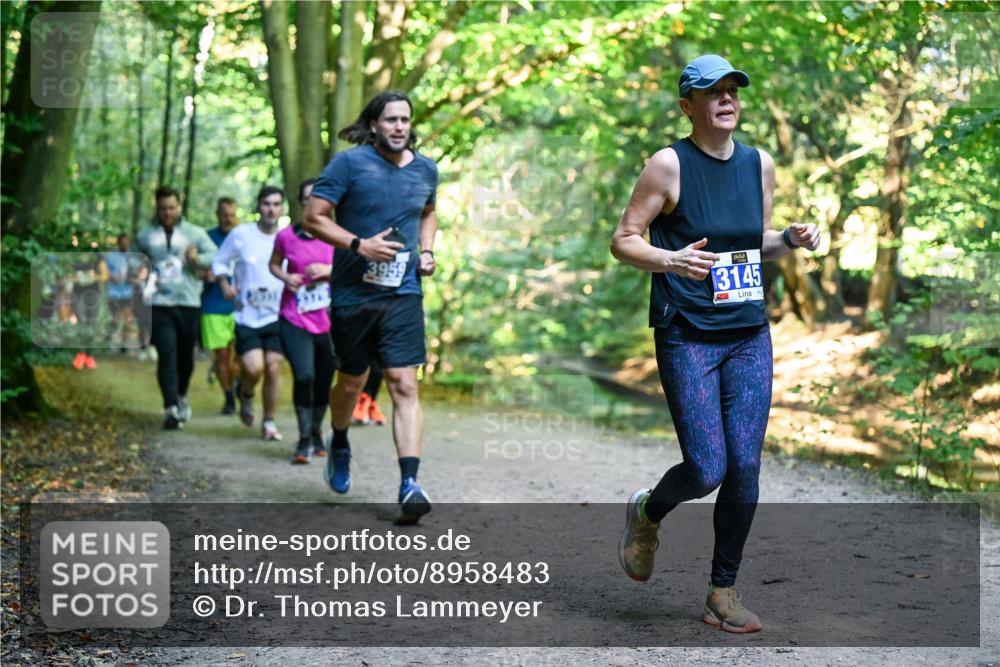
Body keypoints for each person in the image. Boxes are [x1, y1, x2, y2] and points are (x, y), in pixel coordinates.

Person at [610, 55, 821, 634]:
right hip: (688, 335)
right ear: (688, 106)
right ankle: (647, 511)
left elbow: (752, 242)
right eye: (712, 92)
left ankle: (722, 593)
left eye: (733, 90)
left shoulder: (760, 164)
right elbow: (623, 240)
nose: (727, 99)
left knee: (746, 465)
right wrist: (669, 260)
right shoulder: (667, 166)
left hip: (748, 332)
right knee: (707, 467)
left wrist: (790, 238)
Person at [303, 90, 438, 522]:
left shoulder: (426, 169)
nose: (398, 126)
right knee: (351, 381)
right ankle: (339, 440)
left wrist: (429, 250)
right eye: (390, 120)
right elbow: (314, 216)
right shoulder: (349, 164)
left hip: (403, 292)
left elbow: (428, 212)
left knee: (404, 382)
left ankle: (410, 482)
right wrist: (358, 245)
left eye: (404, 120)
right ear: (374, 124)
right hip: (352, 294)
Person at [134, 186, 217, 429]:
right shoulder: (145, 235)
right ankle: (170, 406)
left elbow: (216, 255)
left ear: (179, 207)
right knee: (167, 353)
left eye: (171, 208)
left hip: (188, 301)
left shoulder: (195, 233)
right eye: (163, 209)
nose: (167, 213)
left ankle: (181, 395)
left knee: (185, 357)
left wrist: (197, 259)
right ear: (157, 209)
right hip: (158, 303)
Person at [269, 179, 337, 463]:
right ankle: (303, 436)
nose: (313, 202)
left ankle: (318, 431)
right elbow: (273, 264)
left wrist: (328, 269)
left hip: (330, 320)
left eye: (318, 198)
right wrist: (286, 277)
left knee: (323, 380)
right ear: (301, 203)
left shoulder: (338, 235)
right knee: (304, 375)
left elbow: (354, 269)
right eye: (307, 198)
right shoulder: (286, 236)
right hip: (294, 317)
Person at [212, 185, 287, 441]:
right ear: (258, 206)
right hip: (247, 315)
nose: (271, 209)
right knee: (253, 368)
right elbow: (220, 262)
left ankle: (268, 421)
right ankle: (246, 393)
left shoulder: (287, 237)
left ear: (282, 208)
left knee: (274, 367)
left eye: (276, 204)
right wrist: (225, 284)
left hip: (278, 315)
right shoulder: (241, 234)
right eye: (267, 204)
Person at [201, 197, 241, 414]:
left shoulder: (244, 237)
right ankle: (228, 397)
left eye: (232, 215)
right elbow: (195, 269)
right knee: (223, 356)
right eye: (224, 214)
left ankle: (240, 383)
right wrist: (203, 274)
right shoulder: (206, 239)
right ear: (217, 215)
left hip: (243, 306)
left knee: (244, 355)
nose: (228, 219)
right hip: (213, 305)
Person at [105, 233, 140, 352]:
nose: (124, 244)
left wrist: (135, 279)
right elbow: (103, 271)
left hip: (128, 293)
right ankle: (109, 335)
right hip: (114, 293)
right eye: (122, 242)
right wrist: (111, 276)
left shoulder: (133, 257)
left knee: (128, 319)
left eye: (126, 242)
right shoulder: (111, 256)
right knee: (115, 318)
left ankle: (124, 345)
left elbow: (139, 273)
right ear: (118, 243)